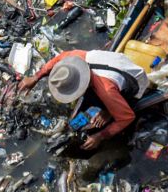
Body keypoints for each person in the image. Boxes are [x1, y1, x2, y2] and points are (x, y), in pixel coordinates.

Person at [18, 49, 151, 150]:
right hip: (117, 66)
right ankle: (111, 107)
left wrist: (100, 136)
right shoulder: (74, 59)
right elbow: (58, 59)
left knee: (113, 111)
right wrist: (36, 77)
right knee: (97, 100)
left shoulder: (106, 90)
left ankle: (111, 109)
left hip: (135, 83)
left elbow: (127, 118)